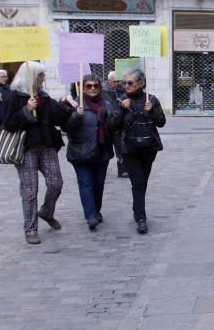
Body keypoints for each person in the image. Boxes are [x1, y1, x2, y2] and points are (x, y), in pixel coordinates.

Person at [2, 62, 70, 245]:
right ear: (30, 77)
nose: (43, 79)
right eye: (40, 76)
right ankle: (30, 229)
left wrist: (67, 106)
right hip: (26, 149)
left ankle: (47, 212)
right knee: (30, 190)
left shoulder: (44, 96)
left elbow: (58, 117)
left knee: (56, 183)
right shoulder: (14, 97)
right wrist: (27, 110)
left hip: (47, 146)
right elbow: (8, 124)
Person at [111, 69, 165, 235]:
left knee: (143, 181)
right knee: (138, 182)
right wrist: (121, 109)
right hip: (129, 149)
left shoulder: (151, 99)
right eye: (124, 82)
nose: (126, 86)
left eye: (130, 82)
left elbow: (161, 122)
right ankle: (141, 218)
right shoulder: (121, 100)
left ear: (141, 83)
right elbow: (112, 125)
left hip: (148, 148)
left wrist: (152, 111)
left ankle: (137, 209)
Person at [63, 74, 116, 231]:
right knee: (86, 183)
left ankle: (96, 210)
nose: (92, 88)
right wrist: (76, 116)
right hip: (81, 151)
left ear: (100, 87)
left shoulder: (107, 104)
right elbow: (66, 128)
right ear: (83, 88)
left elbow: (114, 127)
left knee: (98, 184)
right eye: (88, 86)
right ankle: (90, 215)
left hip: (102, 150)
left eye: (95, 86)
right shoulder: (74, 105)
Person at [103, 72, 127, 178]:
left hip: (118, 121)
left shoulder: (122, 90)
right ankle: (101, 168)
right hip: (107, 122)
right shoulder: (102, 91)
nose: (117, 83)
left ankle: (122, 170)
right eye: (114, 81)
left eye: (118, 81)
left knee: (120, 147)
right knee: (104, 148)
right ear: (109, 81)